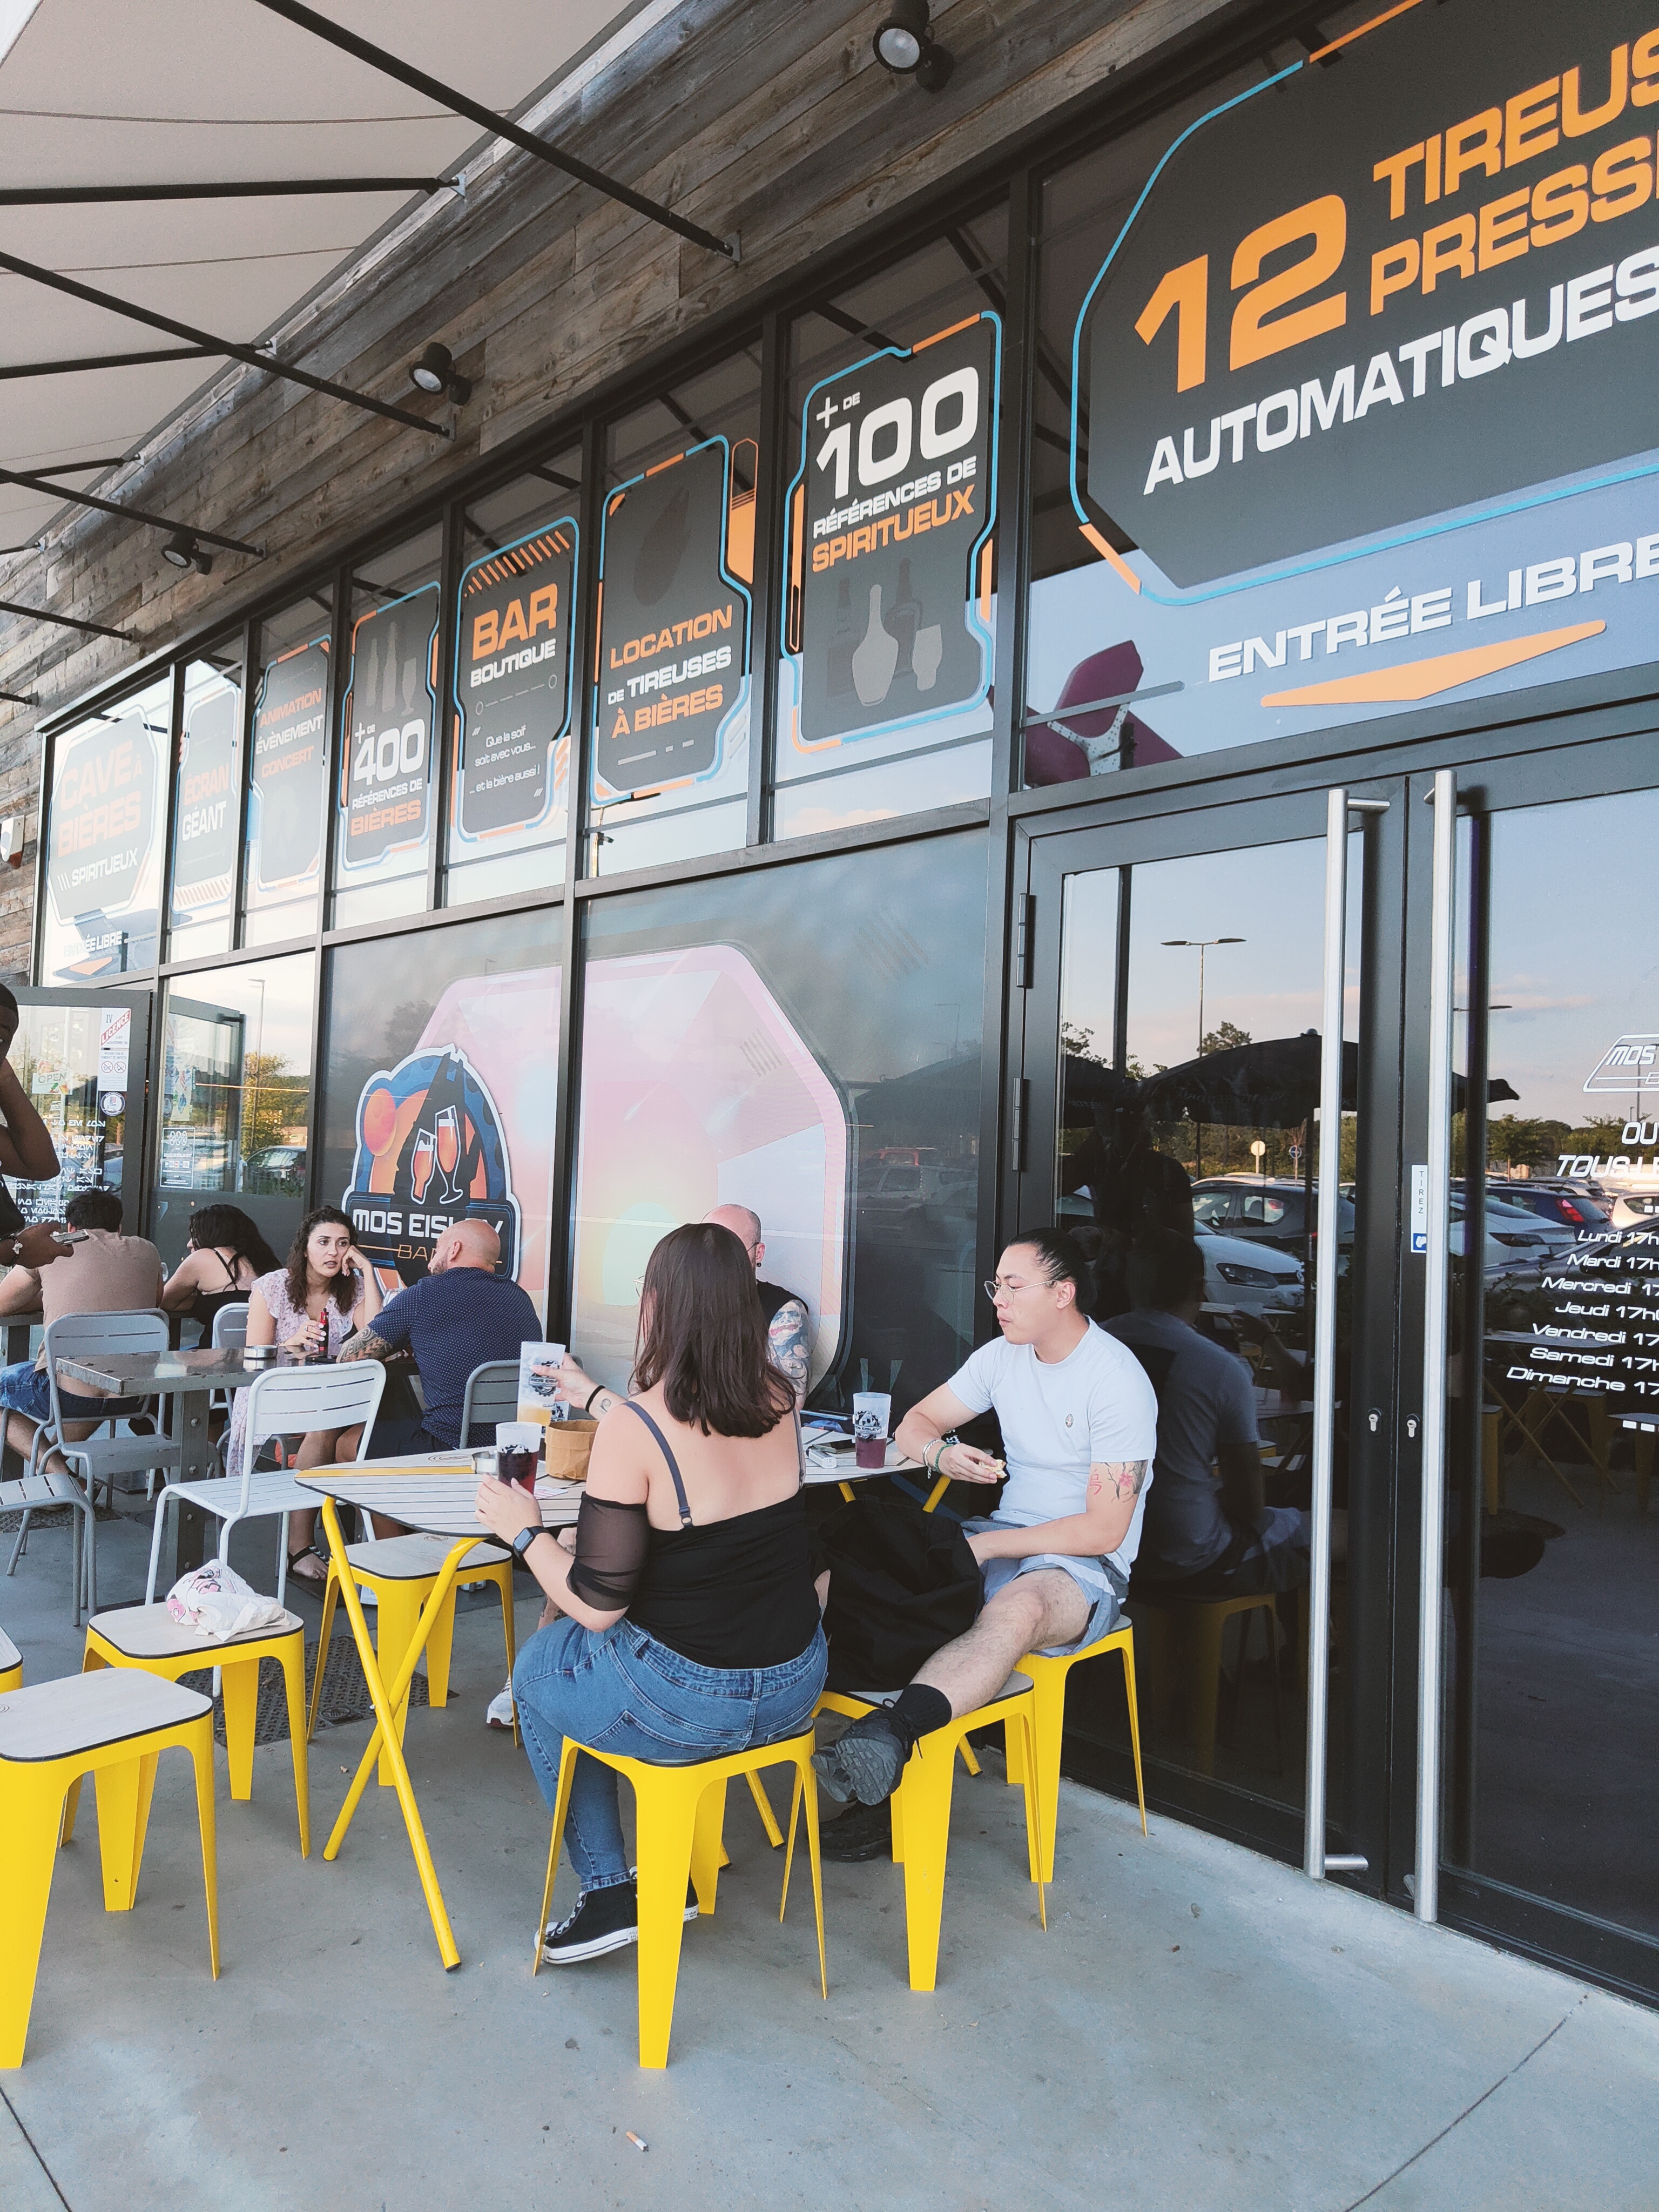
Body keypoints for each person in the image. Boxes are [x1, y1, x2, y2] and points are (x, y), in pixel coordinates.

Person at [475, 1220, 826, 1963]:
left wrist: (525, 1533)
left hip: (694, 1700)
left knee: (542, 1669)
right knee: (587, 1660)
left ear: (661, 1304)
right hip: (796, 1681)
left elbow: (599, 1603)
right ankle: (656, 1871)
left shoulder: (637, 1426)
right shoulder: (778, 1398)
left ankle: (609, 1890)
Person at [811, 1227, 1157, 1857]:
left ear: (1063, 1293)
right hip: (1002, 1534)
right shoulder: (1002, 1358)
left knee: (1018, 1608)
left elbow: (1104, 1528)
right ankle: (798, 1721)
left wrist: (995, 1549)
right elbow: (915, 1423)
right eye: (997, 1285)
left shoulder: (1115, 1380)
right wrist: (940, 1455)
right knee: (860, 1551)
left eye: (1014, 1286)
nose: (998, 1299)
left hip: (1085, 1563)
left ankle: (891, 1736)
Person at [1107, 1230, 1309, 1595]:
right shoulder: (1217, 1367)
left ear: (1128, 1283)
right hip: (1185, 1557)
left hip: (1102, 1550)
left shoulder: (1091, 1347)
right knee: (1328, 1532)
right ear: (1199, 1289)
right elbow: (1249, 1505)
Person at [230, 1205, 382, 1588]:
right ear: (305, 1247)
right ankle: (299, 1546)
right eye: (324, 1242)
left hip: (327, 1392)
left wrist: (367, 1271)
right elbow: (253, 1359)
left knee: (370, 1425)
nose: (333, 1252)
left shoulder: (352, 1288)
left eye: (343, 1244)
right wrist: (289, 1344)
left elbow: (375, 1335)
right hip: (274, 1391)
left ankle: (368, 1543)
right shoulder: (273, 1286)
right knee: (328, 1426)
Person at [337, 1216, 541, 1454]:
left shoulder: (424, 1294)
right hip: (516, 1442)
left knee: (347, 1443)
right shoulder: (519, 1297)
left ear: (454, 1249)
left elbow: (348, 1358)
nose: (430, 1261)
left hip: (450, 1443)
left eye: (437, 1247)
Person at [0, 1186, 164, 1476]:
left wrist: (45, 1294)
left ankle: (60, 1476)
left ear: (71, 1228)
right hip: (133, 1395)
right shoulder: (148, 1250)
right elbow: (156, 1302)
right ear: (118, 1227)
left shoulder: (55, 1248)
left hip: (67, 1395)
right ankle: (61, 1476)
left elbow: (3, 1303)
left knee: (74, 1383)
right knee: (95, 1382)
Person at [161, 1205, 280, 1339]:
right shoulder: (262, 1261)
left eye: (196, 1236)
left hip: (215, 1351)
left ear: (213, 1235)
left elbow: (165, 1302)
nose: (189, 1244)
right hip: (262, 1349)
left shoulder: (203, 1257)